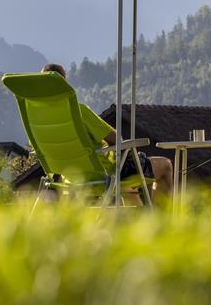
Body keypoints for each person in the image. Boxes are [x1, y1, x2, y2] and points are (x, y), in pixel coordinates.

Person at [41, 63, 174, 203]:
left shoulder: (41, 120)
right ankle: (163, 220)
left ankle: (139, 223)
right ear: (64, 85)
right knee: (165, 165)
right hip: (102, 176)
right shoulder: (78, 112)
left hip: (69, 179)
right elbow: (117, 140)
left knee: (128, 187)